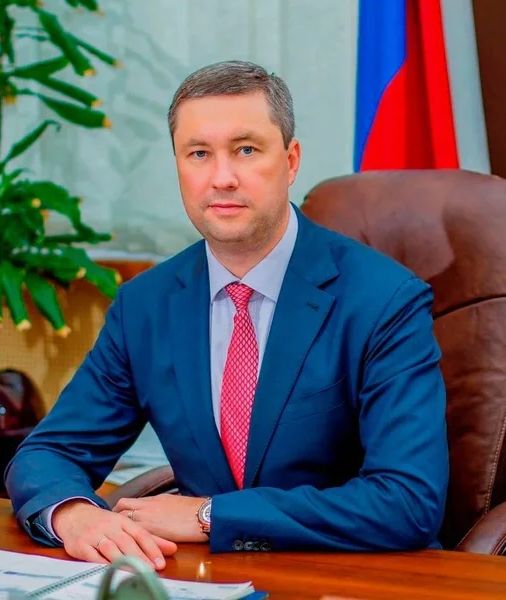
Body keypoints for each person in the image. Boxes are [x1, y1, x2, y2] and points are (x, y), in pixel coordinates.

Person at [5, 60, 449, 569]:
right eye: (199, 153)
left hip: (351, 578)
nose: (222, 178)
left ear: (291, 161)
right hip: (204, 580)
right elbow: (48, 454)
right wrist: (74, 515)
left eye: (246, 150)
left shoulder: (384, 300)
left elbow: (407, 501)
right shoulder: (146, 304)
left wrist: (211, 516)